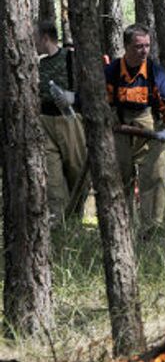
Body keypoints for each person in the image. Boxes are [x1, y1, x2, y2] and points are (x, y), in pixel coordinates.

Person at [104, 24, 165, 234]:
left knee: (154, 178)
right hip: (119, 129)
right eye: (139, 47)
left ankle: (151, 230)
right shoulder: (111, 71)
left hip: (150, 128)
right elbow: (97, 100)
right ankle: (123, 231)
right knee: (120, 180)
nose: (144, 51)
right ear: (126, 47)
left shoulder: (155, 71)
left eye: (147, 46)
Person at [35, 21, 88, 225]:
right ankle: (59, 226)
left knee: (76, 170)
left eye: (35, 38)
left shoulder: (70, 58)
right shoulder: (37, 64)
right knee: (52, 179)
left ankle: (77, 220)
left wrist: (73, 98)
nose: (33, 43)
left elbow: (92, 90)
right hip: (45, 122)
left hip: (70, 120)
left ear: (45, 38)